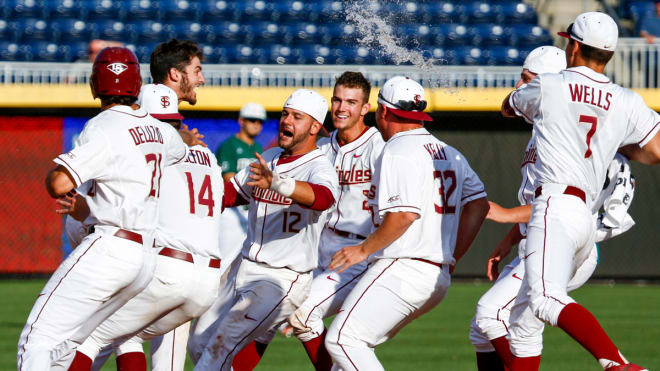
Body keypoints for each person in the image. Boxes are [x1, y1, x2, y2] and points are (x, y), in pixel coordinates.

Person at [501, 11, 660, 371]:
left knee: (543, 299)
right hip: (584, 217)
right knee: (524, 325)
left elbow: (508, 107)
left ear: (572, 46)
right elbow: (656, 150)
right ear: (610, 55)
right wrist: (616, 143)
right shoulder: (626, 99)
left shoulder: (551, 84)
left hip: (554, 204)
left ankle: (616, 363)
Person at [17, 47, 190, 370]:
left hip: (110, 246)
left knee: (37, 340)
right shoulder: (160, 130)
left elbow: (60, 184)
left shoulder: (102, 127)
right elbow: (179, 148)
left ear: (96, 84)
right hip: (145, 260)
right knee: (72, 344)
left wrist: (55, 172)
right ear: (136, 82)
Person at [468, 44, 637, 371]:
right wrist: (507, 244)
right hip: (546, 233)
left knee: (492, 313)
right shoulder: (546, 132)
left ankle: (617, 363)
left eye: (528, 79)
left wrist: (502, 214)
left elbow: (551, 203)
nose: (520, 86)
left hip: (559, 233)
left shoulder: (557, 137)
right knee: (494, 328)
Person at [324, 76, 490, 370]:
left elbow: (404, 215)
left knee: (341, 340)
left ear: (384, 112)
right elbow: (479, 204)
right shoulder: (449, 152)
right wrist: (453, 256)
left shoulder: (398, 149)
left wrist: (362, 250)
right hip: (435, 277)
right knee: (349, 353)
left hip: (403, 267)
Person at [65, 84, 224, 371]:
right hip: (208, 280)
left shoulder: (145, 153)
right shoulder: (208, 155)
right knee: (127, 336)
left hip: (168, 269)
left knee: (87, 336)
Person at [192, 89, 339, 370]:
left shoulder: (319, 167)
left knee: (218, 350)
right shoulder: (269, 156)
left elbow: (323, 197)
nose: (287, 120)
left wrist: (279, 183)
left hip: (281, 278)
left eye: (297, 116)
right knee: (199, 344)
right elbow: (229, 195)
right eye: (285, 113)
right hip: (242, 268)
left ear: (315, 127)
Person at [216, 102, 267, 273]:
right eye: (252, 120)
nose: (256, 124)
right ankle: (213, 298)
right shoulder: (228, 145)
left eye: (259, 121)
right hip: (231, 210)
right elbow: (229, 179)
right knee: (226, 258)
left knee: (245, 262)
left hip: (249, 210)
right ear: (241, 121)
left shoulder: (258, 148)